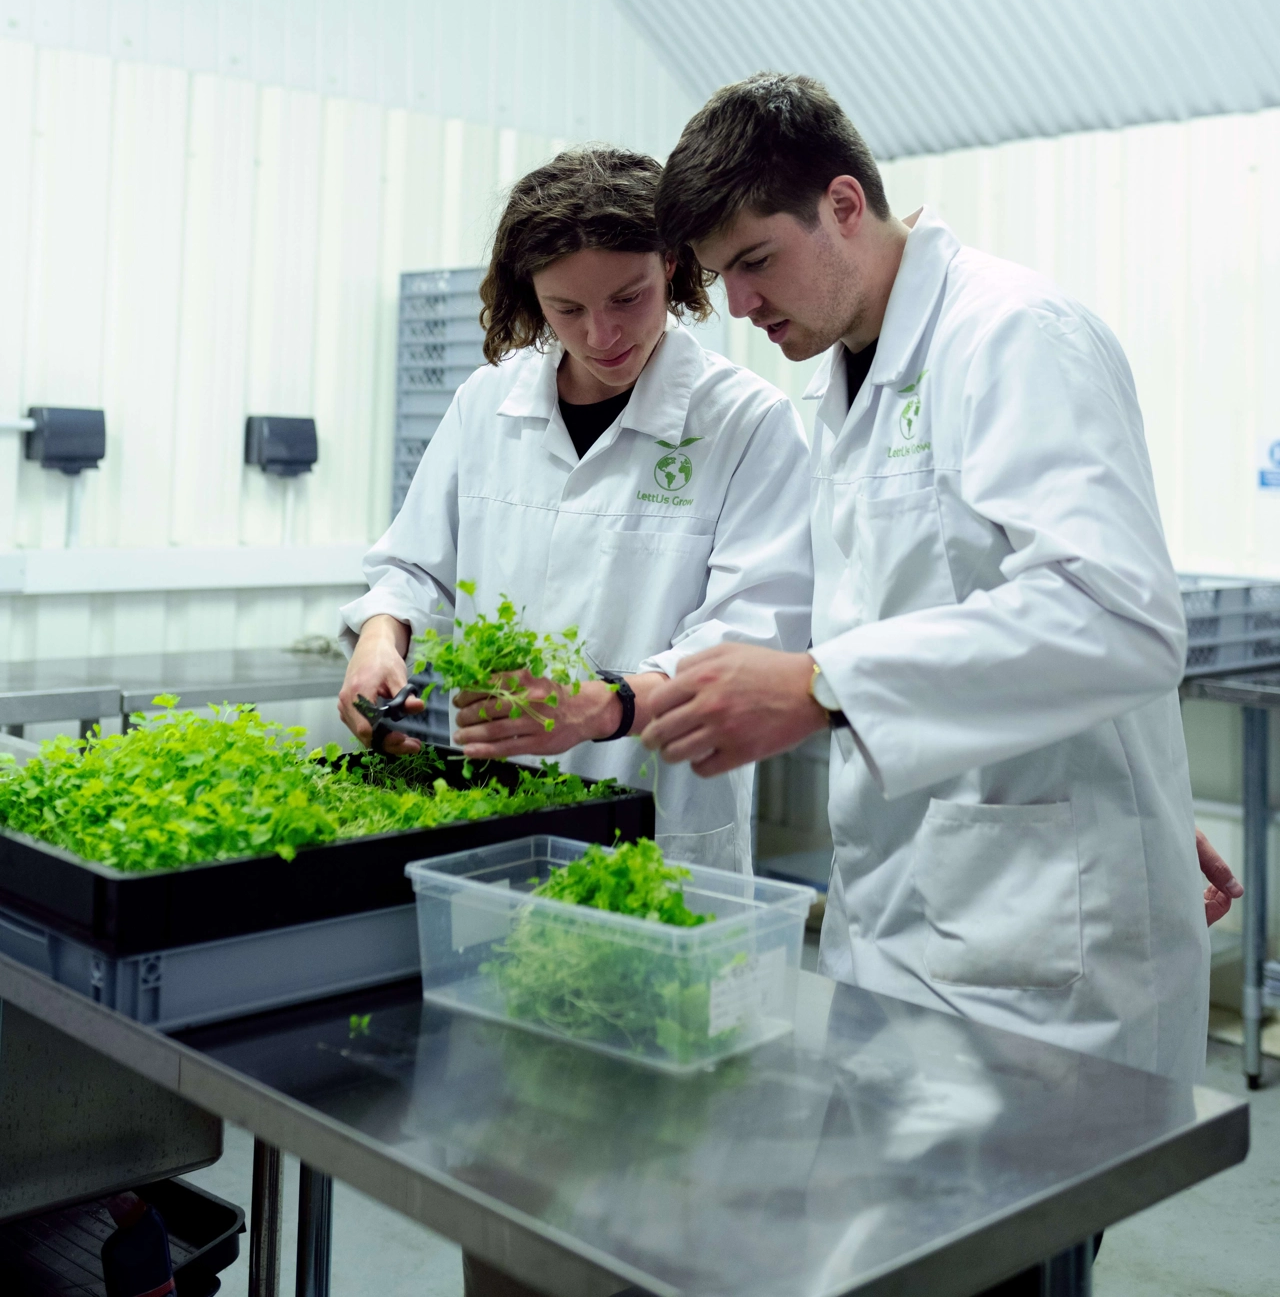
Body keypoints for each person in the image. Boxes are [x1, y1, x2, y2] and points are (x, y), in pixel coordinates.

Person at [641, 72, 1224, 1087]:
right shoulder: (842, 388)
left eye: (754, 262)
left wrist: (822, 684)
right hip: (900, 920)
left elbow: (1118, 616)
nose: (737, 307)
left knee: (1017, 1244)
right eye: (719, 275)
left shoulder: (1012, 336)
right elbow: (934, 613)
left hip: (1041, 955)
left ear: (841, 205)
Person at [337, 146, 813, 875]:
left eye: (628, 298)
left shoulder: (747, 422)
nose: (601, 335)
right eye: (568, 309)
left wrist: (609, 706)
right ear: (533, 298)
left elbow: (753, 633)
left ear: (674, 269)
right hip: (488, 804)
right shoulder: (487, 403)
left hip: (658, 820)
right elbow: (414, 566)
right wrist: (381, 636)